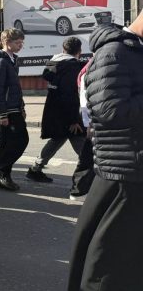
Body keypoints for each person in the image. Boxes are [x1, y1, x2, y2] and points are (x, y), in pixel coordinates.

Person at [67, 12, 143, 291]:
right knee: (112, 249)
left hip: (131, 163)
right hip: (124, 164)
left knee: (126, 247)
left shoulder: (131, 51)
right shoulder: (115, 52)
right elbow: (110, 111)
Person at [26, 37, 85, 183]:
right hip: (67, 112)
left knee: (58, 139)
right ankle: (90, 174)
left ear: (63, 49)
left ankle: (36, 169)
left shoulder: (54, 61)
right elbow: (70, 95)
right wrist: (74, 120)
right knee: (80, 142)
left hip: (54, 109)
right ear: (79, 51)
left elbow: (47, 76)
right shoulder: (73, 67)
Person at [0, 29, 28, 191]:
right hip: (7, 111)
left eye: (21, 42)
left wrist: (21, 107)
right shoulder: (0, 62)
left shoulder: (11, 59)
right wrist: (2, 114)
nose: (20, 45)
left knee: (6, 143)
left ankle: (0, 173)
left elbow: (14, 87)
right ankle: (0, 172)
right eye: (17, 42)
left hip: (14, 108)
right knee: (20, 140)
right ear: (6, 42)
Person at [68, 60, 95, 200]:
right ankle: (79, 190)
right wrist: (89, 122)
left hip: (99, 119)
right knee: (89, 155)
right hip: (98, 120)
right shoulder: (91, 68)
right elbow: (84, 99)